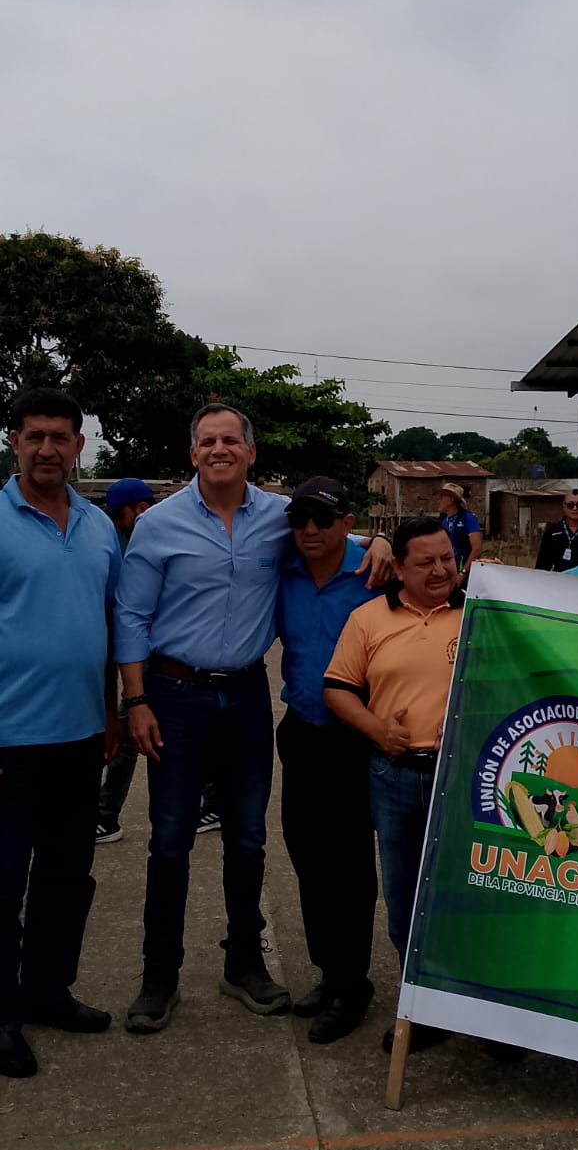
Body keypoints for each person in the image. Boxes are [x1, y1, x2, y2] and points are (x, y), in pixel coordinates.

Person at [114, 403, 391, 1034]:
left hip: (244, 696)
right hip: (175, 693)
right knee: (170, 838)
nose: (219, 449)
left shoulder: (279, 517)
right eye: (207, 440)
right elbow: (130, 615)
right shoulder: (158, 524)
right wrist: (136, 701)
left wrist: (381, 541)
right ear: (193, 453)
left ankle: (244, 962)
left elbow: (338, 540)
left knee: (247, 837)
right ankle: (159, 976)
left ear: (250, 452)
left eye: (230, 440)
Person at [0, 387, 122, 1079]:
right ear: (14, 442)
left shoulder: (100, 526)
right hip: (9, 739)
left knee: (66, 878)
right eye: (34, 435)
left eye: (60, 437)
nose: (47, 449)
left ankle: (48, 991)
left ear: (79, 446)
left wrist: (111, 709)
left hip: (80, 738)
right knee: (2, 884)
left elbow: (106, 624)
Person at [324, 516, 463, 1053]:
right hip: (396, 775)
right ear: (399, 569)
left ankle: (481, 1008)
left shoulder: (482, 611)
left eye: (447, 558)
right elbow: (338, 688)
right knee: (406, 898)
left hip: (465, 777)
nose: (440, 570)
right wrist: (378, 729)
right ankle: (423, 1005)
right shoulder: (368, 618)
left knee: (468, 893)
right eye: (425, 562)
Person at [276, 477, 382, 1045]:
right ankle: (330, 970)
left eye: (322, 519)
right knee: (307, 856)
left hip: (355, 736)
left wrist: (382, 544)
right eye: (300, 520)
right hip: (302, 732)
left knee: (349, 864)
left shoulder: (375, 573)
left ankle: (353, 983)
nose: (310, 530)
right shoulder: (283, 570)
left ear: (347, 523)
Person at [97, 477, 220, 844]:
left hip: (162, 653)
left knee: (131, 733)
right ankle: (212, 799)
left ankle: (106, 814)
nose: (117, 523)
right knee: (159, 731)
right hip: (141, 652)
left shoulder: (165, 534)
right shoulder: (122, 537)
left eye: (120, 516)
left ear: (140, 509)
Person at [535, 489, 578, 572]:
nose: (575, 508)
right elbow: (542, 566)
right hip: (558, 578)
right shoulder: (551, 533)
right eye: (570, 505)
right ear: (564, 506)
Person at [438, 482, 483, 570]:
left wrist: (463, 572)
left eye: (442, 497)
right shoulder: (442, 521)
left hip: (463, 570)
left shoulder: (468, 518)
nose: (439, 500)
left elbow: (477, 549)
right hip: (447, 570)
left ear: (451, 499)